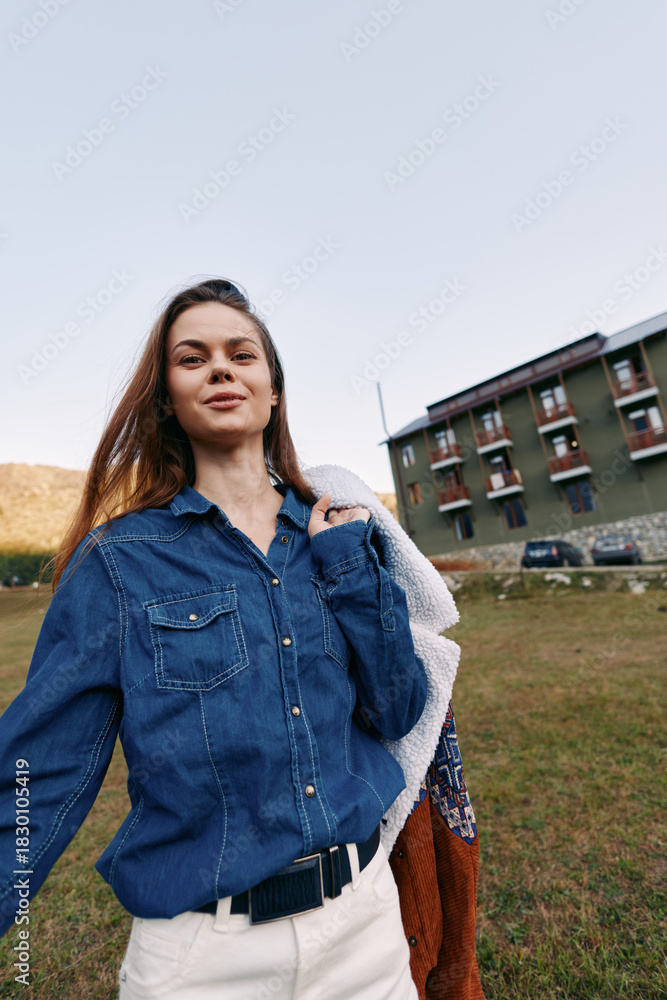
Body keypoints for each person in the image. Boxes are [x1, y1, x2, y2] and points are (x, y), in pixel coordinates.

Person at [0, 277, 439, 999]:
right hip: (203, 959)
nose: (221, 369)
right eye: (192, 358)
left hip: (363, 929)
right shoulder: (119, 562)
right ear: (167, 399)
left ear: (273, 391)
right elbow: (38, 772)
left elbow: (396, 710)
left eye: (242, 354)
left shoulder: (342, 536)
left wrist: (347, 569)